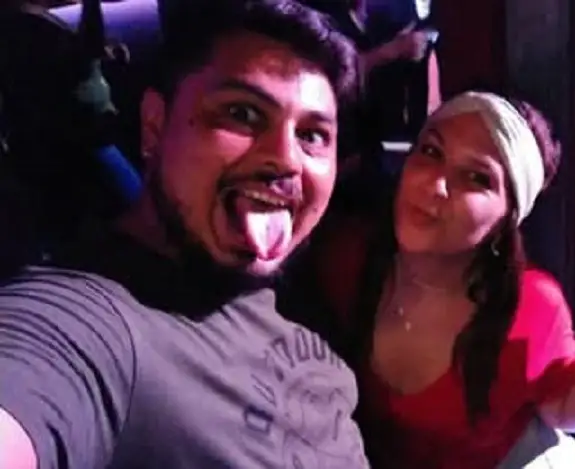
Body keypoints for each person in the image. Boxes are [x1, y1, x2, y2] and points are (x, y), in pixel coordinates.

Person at [0, 1, 370, 468]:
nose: (287, 159)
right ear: (155, 126)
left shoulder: (299, 298)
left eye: (312, 135)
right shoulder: (84, 323)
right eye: (242, 113)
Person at [314, 91, 575, 468]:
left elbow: (566, 411)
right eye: (431, 152)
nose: (436, 185)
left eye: (477, 178)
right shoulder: (348, 258)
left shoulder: (530, 304)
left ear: (506, 218)